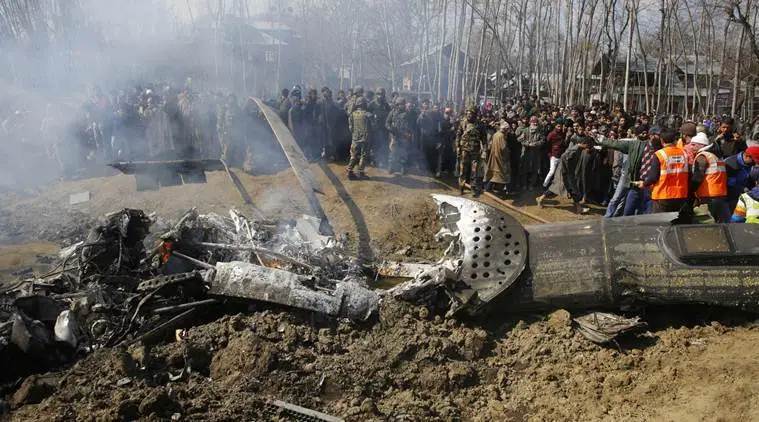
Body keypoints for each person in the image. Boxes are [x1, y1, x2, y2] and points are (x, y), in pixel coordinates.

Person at [639, 129, 690, 216]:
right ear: (675, 140)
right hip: (680, 194)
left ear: (662, 141)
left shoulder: (660, 154)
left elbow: (653, 177)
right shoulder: (684, 153)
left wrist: (644, 183)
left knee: (660, 224)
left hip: (663, 195)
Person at [688, 132, 730, 223]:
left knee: (706, 223)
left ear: (701, 145)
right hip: (720, 194)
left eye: (693, 145)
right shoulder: (715, 156)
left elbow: (698, 177)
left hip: (708, 195)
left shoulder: (702, 156)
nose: (690, 147)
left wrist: (690, 191)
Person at [456, 106, 486, 196]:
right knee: (463, 169)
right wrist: (457, 146)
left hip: (475, 151)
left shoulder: (480, 125)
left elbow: (484, 139)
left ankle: (473, 188)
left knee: (474, 171)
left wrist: (484, 150)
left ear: (475, 115)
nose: (469, 115)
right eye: (468, 114)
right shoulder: (463, 123)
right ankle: (461, 187)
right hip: (464, 150)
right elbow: (458, 135)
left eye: (471, 114)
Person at [536, 121, 566, 206]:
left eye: (560, 126)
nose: (559, 128)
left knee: (558, 173)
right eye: (558, 126)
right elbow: (547, 145)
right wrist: (550, 155)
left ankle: (554, 187)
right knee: (552, 171)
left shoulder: (562, 134)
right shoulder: (551, 134)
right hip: (553, 156)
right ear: (555, 126)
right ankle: (544, 185)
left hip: (560, 156)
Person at [725, 145, 759, 211]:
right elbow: (730, 184)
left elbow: (748, 178)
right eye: (754, 161)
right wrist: (744, 189)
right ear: (747, 156)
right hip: (728, 197)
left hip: (739, 194)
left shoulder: (748, 163)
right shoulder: (731, 164)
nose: (755, 164)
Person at [386, 97, 413, 175]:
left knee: (403, 153)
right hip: (394, 136)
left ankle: (403, 168)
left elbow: (411, 125)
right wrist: (391, 129)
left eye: (404, 104)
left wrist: (409, 133)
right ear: (397, 105)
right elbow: (387, 123)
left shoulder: (407, 113)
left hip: (404, 137)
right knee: (393, 153)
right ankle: (391, 168)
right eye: (401, 104)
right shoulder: (392, 112)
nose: (403, 106)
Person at [517, 116, 545, 190]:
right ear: (530, 122)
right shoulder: (525, 130)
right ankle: (524, 184)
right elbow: (519, 139)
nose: (535, 123)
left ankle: (532, 185)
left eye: (536, 122)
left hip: (536, 153)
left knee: (535, 169)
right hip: (526, 152)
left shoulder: (540, 131)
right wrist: (527, 143)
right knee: (524, 169)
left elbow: (542, 140)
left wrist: (536, 144)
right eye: (533, 122)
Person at [346, 98, 372, 179]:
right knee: (363, 155)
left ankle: (349, 171)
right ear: (364, 104)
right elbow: (373, 126)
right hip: (365, 138)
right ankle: (361, 173)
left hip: (355, 138)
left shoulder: (352, 114)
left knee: (353, 155)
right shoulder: (368, 114)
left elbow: (350, 128)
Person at [484, 121, 512, 193]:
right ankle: (504, 190)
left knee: (494, 175)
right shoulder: (501, 136)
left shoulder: (495, 134)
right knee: (502, 175)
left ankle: (491, 189)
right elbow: (503, 148)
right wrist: (508, 154)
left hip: (494, 157)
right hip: (500, 158)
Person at [368, 88, 391, 168]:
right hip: (374, 130)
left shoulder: (386, 105)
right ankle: (373, 160)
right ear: (376, 95)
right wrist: (371, 119)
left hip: (384, 130)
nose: (380, 96)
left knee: (383, 145)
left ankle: (382, 161)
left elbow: (390, 115)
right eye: (378, 94)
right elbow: (367, 113)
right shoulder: (372, 104)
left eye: (382, 94)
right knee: (374, 145)